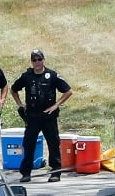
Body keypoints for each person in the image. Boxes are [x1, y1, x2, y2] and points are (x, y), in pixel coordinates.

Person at [10, 49, 72, 183]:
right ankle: (26, 173)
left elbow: (68, 91)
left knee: (53, 143)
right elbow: (13, 89)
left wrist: (56, 105)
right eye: (34, 60)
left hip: (48, 115)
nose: (37, 62)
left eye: (39, 59)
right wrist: (21, 105)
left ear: (44, 60)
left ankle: (55, 172)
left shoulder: (52, 75)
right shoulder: (26, 76)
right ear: (31, 62)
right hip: (32, 116)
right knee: (29, 144)